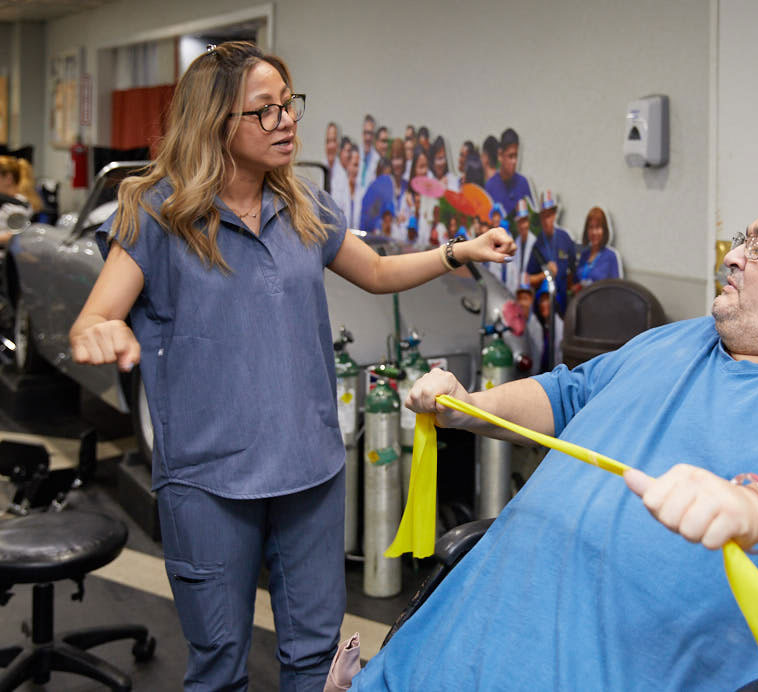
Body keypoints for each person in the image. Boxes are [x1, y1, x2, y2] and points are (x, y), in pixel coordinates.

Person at [350, 194, 758, 691]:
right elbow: (569, 395)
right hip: (430, 663)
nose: (734, 258)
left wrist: (753, 508)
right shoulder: (678, 341)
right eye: (741, 240)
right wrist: (467, 407)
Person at [66, 41, 514, 692]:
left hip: (310, 472)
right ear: (217, 121)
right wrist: (100, 334)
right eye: (264, 111)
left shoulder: (303, 203)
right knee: (219, 664)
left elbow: (380, 271)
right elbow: (94, 317)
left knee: (315, 661)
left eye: (288, 105)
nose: (286, 121)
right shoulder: (160, 213)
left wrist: (458, 250)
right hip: (209, 481)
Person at [526, 189, 575, 316]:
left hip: (563, 307)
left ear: (554, 215)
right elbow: (528, 279)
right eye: (543, 216)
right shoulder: (537, 244)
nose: (546, 220)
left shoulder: (565, 238)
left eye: (549, 215)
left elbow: (573, 270)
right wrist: (544, 274)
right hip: (544, 310)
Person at [571, 206, 621, 294]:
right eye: (591, 227)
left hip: (601, 305)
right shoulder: (584, 255)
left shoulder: (611, 256)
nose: (594, 232)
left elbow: (616, 290)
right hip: (581, 304)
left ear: (604, 230)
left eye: (597, 227)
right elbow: (576, 281)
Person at [484, 127, 532, 216]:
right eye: (510, 156)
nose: (514, 161)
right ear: (500, 155)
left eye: (516, 156)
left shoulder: (523, 184)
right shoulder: (490, 187)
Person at [505, 197, 536, 295]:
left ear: (529, 222)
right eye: (520, 222)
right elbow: (511, 274)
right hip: (516, 292)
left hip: (531, 293)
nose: (523, 225)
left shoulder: (536, 243)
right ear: (517, 224)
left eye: (525, 221)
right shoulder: (515, 244)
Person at [359, 114, 378, 192]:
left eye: (370, 133)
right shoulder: (355, 155)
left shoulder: (377, 160)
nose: (368, 137)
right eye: (366, 133)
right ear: (362, 134)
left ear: (374, 136)